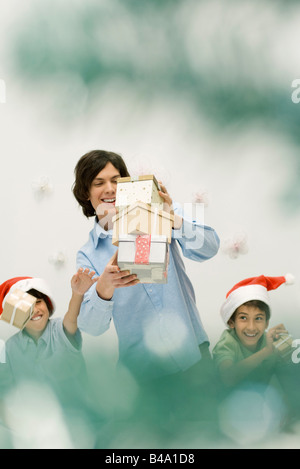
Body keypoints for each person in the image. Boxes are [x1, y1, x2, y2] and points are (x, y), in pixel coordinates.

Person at [72, 149, 220, 386]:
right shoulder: (88, 254)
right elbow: (91, 327)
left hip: (192, 354)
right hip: (143, 375)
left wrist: (172, 218)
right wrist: (104, 286)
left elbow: (210, 248)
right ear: (85, 193)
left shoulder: (160, 212)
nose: (110, 189)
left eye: (116, 181)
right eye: (99, 183)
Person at [0, 268, 97, 409]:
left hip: (78, 416)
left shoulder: (60, 330)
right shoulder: (10, 348)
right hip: (39, 421)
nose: (34, 310)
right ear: (16, 315)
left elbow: (71, 318)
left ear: (47, 304)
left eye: (38, 302)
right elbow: (5, 391)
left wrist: (77, 294)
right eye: (26, 306)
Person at [213, 274, 300, 428]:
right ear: (231, 323)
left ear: (267, 322)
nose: (252, 327)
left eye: (258, 318)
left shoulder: (270, 342)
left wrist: (291, 351)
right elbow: (227, 376)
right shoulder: (227, 343)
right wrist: (266, 352)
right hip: (223, 412)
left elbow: (290, 381)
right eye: (243, 318)